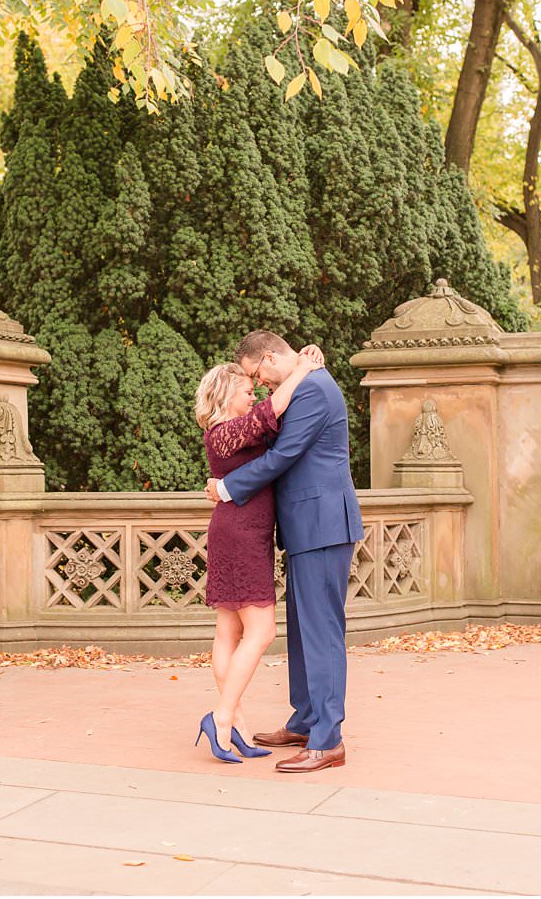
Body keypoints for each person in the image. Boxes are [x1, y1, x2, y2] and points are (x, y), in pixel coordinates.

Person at [204, 330, 364, 774]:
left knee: (322, 631)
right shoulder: (306, 379)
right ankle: (307, 719)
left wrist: (227, 487)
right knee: (302, 630)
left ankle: (328, 740)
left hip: (323, 523)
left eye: (259, 375)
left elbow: (285, 453)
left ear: (271, 358)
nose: (262, 385)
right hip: (304, 526)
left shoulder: (313, 387)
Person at [192, 346, 324, 763]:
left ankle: (237, 730)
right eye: (246, 390)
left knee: (227, 632)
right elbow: (273, 410)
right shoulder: (223, 431)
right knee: (261, 631)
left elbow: (275, 422)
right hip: (241, 535)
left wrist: (302, 363)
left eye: (254, 389)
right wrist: (301, 369)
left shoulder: (240, 428)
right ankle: (223, 716)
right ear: (226, 394)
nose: (254, 395)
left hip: (241, 532)